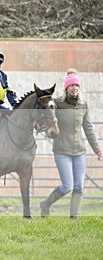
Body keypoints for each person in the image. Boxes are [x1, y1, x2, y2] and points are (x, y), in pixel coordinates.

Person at [40, 70, 103, 218]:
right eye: (72, 85)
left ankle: (74, 217)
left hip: (80, 151)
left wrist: (98, 151)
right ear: (66, 88)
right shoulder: (56, 103)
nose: (75, 88)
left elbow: (88, 129)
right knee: (67, 186)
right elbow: (46, 118)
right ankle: (46, 204)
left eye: (77, 85)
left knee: (79, 187)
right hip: (62, 151)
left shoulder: (83, 105)